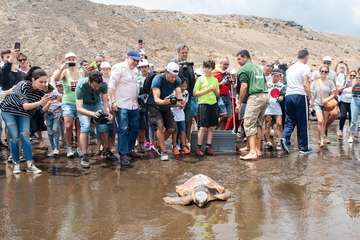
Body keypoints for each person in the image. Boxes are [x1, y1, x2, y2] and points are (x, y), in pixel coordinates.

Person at [0, 68, 50, 174]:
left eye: (45, 82)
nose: (44, 84)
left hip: (23, 113)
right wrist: (41, 102)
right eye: (41, 81)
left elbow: (39, 111)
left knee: (25, 136)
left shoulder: (40, 93)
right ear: (33, 79)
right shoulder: (23, 85)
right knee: (14, 137)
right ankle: (16, 164)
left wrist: (48, 104)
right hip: (9, 110)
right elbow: (26, 106)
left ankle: (30, 165)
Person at [76, 71, 115, 168]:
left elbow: (105, 101)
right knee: (85, 126)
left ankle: (106, 150)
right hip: (84, 105)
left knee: (103, 125)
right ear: (89, 81)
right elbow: (79, 108)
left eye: (99, 86)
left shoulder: (103, 85)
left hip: (97, 104)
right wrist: (93, 114)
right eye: (94, 86)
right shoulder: (81, 86)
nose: (97, 88)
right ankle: (84, 155)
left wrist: (107, 112)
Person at [109, 50, 141, 167]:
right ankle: (123, 154)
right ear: (127, 57)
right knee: (123, 128)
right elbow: (111, 86)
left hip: (134, 104)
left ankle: (130, 149)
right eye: (134, 60)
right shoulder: (119, 68)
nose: (135, 63)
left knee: (135, 128)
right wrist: (113, 101)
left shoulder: (136, 71)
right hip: (122, 104)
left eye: (137, 61)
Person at [236, 50, 268, 160]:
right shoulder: (257, 68)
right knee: (258, 123)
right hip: (264, 95)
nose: (238, 62)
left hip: (255, 97)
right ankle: (258, 150)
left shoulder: (244, 69)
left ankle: (252, 152)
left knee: (248, 123)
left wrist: (239, 102)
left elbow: (244, 86)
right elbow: (265, 83)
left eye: (239, 59)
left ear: (245, 57)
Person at [148, 62, 183, 161]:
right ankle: (163, 151)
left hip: (165, 104)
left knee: (172, 128)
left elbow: (178, 93)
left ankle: (159, 144)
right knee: (160, 125)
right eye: (171, 77)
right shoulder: (158, 79)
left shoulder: (177, 80)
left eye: (175, 77)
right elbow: (156, 99)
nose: (173, 79)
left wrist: (180, 102)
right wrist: (165, 101)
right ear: (166, 72)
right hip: (154, 105)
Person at [281, 49, 312, 154]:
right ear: (306, 57)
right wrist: (310, 97)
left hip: (289, 95)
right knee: (302, 122)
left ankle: (285, 138)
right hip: (300, 95)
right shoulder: (305, 67)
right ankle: (304, 148)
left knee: (290, 120)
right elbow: (305, 84)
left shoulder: (290, 69)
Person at [54, 52, 82, 158]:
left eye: (73, 58)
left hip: (79, 102)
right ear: (66, 60)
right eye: (69, 59)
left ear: (76, 59)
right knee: (68, 125)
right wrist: (62, 68)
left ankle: (79, 148)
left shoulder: (80, 72)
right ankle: (69, 147)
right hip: (68, 102)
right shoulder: (65, 72)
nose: (71, 60)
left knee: (80, 126)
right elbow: (56, 79)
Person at [193, 60, 220, 156]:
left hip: (213, 104)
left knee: (211, 127)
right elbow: (195, 93)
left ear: (212, 69)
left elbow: (218, 94)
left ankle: (208, 147)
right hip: (203, 104)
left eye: (208, 68)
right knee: (203, 127)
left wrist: (214, 90)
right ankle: (199, 147)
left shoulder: (215, 80)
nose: (206, 69)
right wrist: (208, 89)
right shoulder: (200, 79)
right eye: (205, 67)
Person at [174, 45, 197, 145]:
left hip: (190, 95)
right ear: (178, 53)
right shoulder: (174, 64)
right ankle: (177, 142)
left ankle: (186, 140)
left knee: (189, 118)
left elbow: (192, 80)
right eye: (183, 53)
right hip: (178, 95)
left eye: (186, 53)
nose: (184, 54)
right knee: (178, 120)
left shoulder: (190, 65)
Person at [311, 65, 338, 147]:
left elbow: (334, 94)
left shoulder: (330, 82)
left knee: (324, 123)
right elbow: (312, 94)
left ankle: (321, 139)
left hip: (326, 104)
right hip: (317, 103)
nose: (324, 73)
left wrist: (327, 99)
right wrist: (311, 104)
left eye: (326, 71)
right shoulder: (315, 82)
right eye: (322, 71)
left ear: (328, 73)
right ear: (320, 72)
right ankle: (321, 139)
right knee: (320, 121)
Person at [263, 69, 286, 150]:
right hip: (268, 107)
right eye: (274, 75)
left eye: (278, 76)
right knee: (268, 124)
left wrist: (281, 98)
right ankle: (267, 141)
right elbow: (263, 94)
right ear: (272, 75)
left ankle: (279, 142)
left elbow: (283, 95)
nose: (276, 77)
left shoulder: (282, 86)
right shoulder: (267, 84)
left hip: (277, 107)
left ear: (280, 77)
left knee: (279, 124)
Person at [171, 79, 190, 156]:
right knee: (175, 130)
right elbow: (171, 104)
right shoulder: (173, 92)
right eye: (183, 84)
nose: (184, 86)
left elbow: (185, 103)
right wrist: (179, 105)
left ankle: (184, 146)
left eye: (186, 84)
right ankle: (174, 146)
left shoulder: (186, 93)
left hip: (181, 114)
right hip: (173, 113)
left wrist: (183, 106)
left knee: (182, 130)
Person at [212, 57, 233, 130]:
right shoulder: (215, 73)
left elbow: (230, 86)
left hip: (227, 96)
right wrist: (221, 83)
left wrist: (231, 82)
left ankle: (221, 131)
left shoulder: (227, 74)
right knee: (220, 115)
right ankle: (216, 129)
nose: (226, 66)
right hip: (218, 96)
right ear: (220, 64)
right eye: (224, 64)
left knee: (227, 115)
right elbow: (212, 85)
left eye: (227, 64)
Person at [44, 85, 62, 156]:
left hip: (56, 115)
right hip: (47, 115)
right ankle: (53, 148)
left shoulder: (54, 92)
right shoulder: (41, 93)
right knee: (50, 133)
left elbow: (60, 101)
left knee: (55, 130)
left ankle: (56, 149)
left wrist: (60, 110)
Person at [337, 69, 355, 140]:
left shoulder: (357, 83)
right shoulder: (345, 82)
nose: (352, 76)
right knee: (343, 116)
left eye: (354, 75)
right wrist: (345, 86)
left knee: (351, 118)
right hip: (343, 102)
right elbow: (338, 91)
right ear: (349, 76)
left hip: (352, 103)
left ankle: (351, 133)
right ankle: (340, 130)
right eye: (351, 75)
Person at [348, 75, 360, 143]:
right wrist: (355, 84)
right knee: (353, 119)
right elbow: (351, 91)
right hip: (355, 99)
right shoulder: (354, 80)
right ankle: (351, 135)